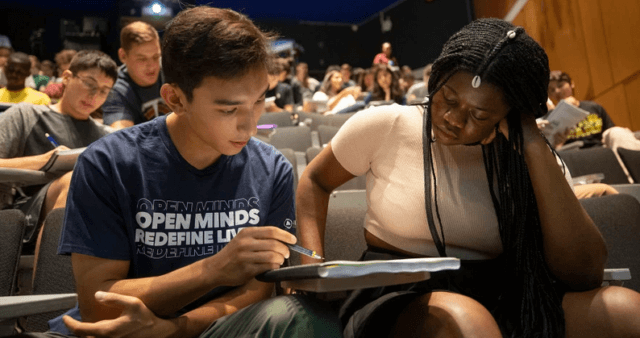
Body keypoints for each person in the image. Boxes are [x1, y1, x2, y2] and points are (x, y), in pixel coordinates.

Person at [296, 18, 640, 338]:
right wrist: (311, 266)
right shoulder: (386, 124)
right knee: (464, 320)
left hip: (502, 291)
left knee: (626, 310)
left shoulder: (527, 155)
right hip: (398, 294)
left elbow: (585, 273)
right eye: (448, 98)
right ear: (438, 78)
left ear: (509, 114)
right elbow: (315, 181)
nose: (452, 118)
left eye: (479, 114)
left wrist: (532, 144)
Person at [35, 6, 341, 338]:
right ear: (176, 99)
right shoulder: (109, 163)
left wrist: (174, 328)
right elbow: (99, 305)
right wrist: (213, 270)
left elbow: (260, 289)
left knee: (307, 317)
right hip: (121, 331)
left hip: (212, 328)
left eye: (258, 101)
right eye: (228, 109)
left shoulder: (271, 168)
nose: (251, 125)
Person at [0, 50, 117, 252]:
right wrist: (43, 161)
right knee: (72, 181)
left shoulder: (106, 137)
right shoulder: (25, 114)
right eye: (89, 83)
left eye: (104, 91)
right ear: (66, 78)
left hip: (89, 221)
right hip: (25, 213)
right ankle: (53, 280)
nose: (94, 95)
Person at [101, 21, 169, 129]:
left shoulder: (171, 71)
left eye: (156, 57)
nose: (152, 67)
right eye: (142, 59)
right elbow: (122, 138)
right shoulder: (115, 90)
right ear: (123, 56)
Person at [546, 70, 615, 149]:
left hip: (600, 151)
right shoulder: (550, 119)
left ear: (571, 84)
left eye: (560, 85)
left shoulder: (594, 107)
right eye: (552, 90)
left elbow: (611, 132)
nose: (557, 91)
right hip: (572, 156)